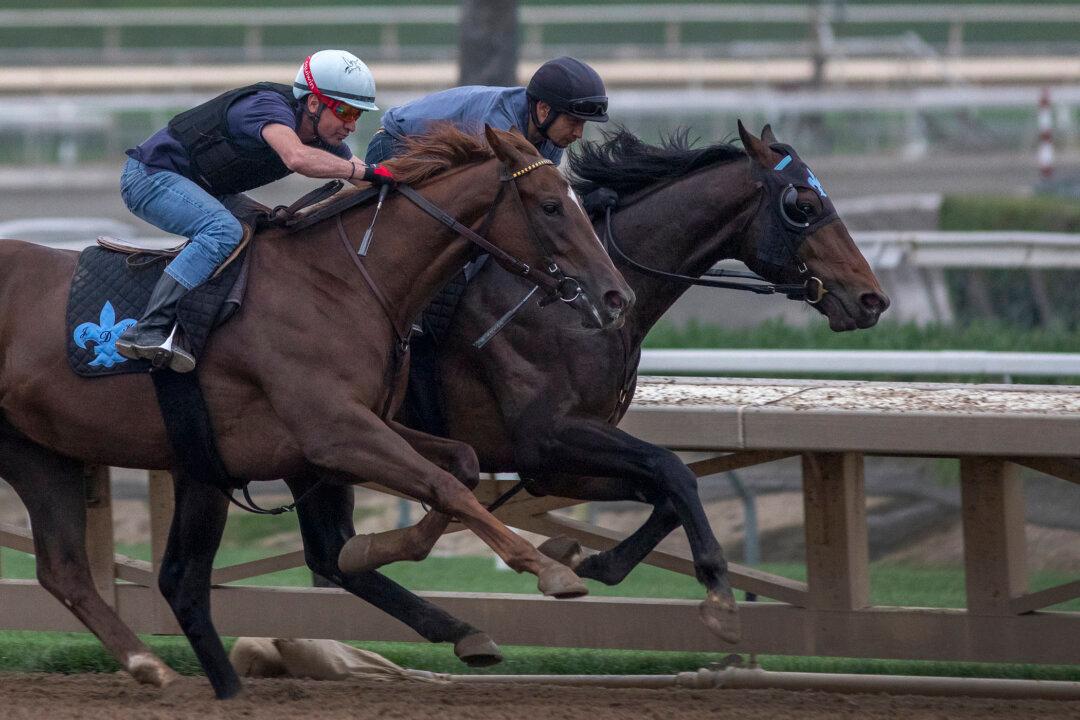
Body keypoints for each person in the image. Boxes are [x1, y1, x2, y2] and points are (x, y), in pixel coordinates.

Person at [116, 49, 396, 372]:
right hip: (149, 176)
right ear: (314, 103)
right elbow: (297, 158)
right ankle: (148, 328)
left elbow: (361, 172)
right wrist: (363, 172)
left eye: (358, 115)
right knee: (224, 231)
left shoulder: (323, 136)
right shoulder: (265, 106)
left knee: (268, 229)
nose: (351, 125)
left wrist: (402, 183)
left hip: (201, 187)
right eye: (345, 111)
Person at [364, 55, 609, 167]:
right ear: (544, 110)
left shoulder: (553, 136)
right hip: (395, 145)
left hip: (437, 159)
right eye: (574, 122)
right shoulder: (499, 124)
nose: (578, 133)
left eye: (583, 125)